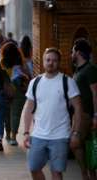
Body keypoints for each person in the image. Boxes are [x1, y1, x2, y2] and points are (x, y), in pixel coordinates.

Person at [21, 47, 82, 180]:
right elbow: (28, 108)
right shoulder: (35, 82)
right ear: (43, 62)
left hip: (60, 136)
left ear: (59, 62)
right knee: (34, 168)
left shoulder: (68, 82)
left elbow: (78, 108)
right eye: (48, 60)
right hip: (38, 135)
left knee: (56, 172)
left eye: (54, 60)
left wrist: (75, 133)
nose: (50, 63)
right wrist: (26, 132)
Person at [71, 38, 97, 180]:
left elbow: (95, 94)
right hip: (78, 114)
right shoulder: (79, 70)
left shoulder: (90, 69)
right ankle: (88, 174)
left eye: (73, 51)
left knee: (75, 143)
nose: (71, 54)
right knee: (80, 144)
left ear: (78, 52)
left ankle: (86, 175)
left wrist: (96, 116)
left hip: (86, 114)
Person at [1, 42, 30, 145]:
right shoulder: (21, 63)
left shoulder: (2, 63)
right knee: (16, 114)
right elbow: (28, 75)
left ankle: (8, 134)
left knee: (7, 114)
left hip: (6, 90)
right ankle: (13, 137)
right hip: (19, 91)